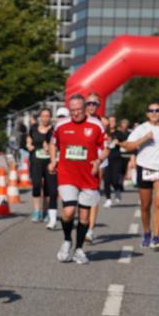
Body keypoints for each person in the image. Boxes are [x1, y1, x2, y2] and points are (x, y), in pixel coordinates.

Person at [48, 94, 105, 265]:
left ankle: (79, 249)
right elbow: (53, 143)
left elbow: (105, 148)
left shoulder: (96, 125)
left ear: (85, 107)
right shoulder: (61, 125)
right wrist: (53, 160)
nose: (76, 113)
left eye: (79, 110)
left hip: (88, 176)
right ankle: (67, 240)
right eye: (72, 111)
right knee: (68, 211)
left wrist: (99, 161)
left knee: (84, 217)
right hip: (67, 174)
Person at [122, 102, 159, 251]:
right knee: (145, 206)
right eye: (151, 110)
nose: (154, 113)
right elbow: (127, 146)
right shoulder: (142, 128)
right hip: (144, 167)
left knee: (158, 201)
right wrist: (144, 139)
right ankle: (147, 233)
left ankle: (156, 238)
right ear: (147, 113)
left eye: (157, 110)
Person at [80, 94, 107, 243]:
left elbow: (105, 144)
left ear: (98, 106)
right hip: (81, 159)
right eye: (88, 103)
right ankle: (83, 223)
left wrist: (99, 160)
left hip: (98, 159)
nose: (91, 106)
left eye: (94, 104)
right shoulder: (79, 119)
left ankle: (90, 229)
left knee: (94, 191)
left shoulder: (102, 122)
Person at [26, 107, 56, 223]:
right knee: (36, 185)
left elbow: (58, 145)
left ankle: (47, 211)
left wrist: (49, 148)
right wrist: (29, 145)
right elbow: (29, 138)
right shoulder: (34, 128)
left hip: (49, 161)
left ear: (50, 117)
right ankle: (36, 211)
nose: (45, 118)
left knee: (48, 187)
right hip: (36, 160)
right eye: (43, 116)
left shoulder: (54, 130)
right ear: (40, 117)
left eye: (47, 116)